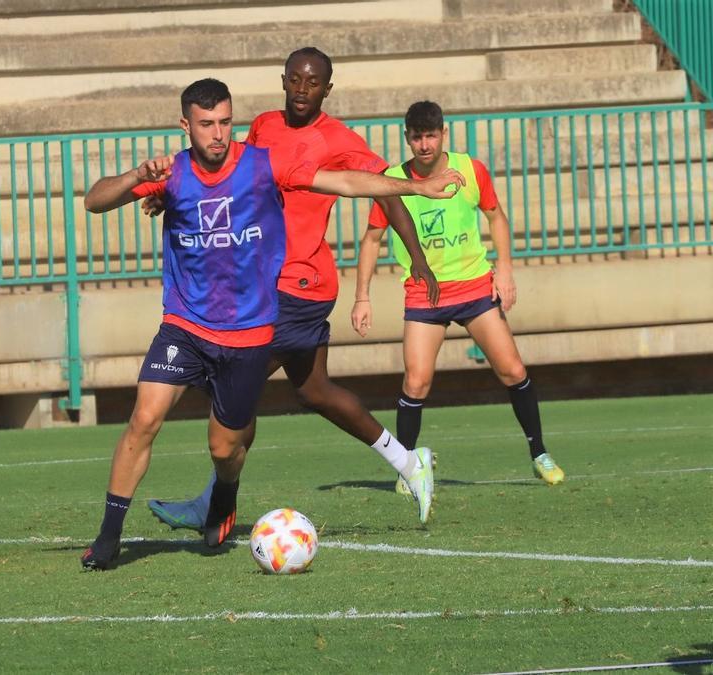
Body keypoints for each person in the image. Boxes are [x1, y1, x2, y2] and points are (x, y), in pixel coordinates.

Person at [79, 78, 463, 570]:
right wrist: (137, 176)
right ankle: (109, 538)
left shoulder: (263, 164)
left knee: (225, 447)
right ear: (185, 126)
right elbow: (94, 200)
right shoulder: (170, 173)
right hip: (186, 325)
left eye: (224, 122)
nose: (217, 134)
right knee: (145, 417)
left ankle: (224, 495)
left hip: (250, 331)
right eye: (205, 124)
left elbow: (344, 182)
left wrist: (419, 185)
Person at [147, 47, 445, 530]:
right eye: (295, 80)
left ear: (328, 88)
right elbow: (230, 177)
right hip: (262, 281)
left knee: (234, 387)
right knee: (314, 390)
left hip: (299, 283)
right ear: (283, 81)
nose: (303, 90)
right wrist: (172, 197)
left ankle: (215, 506)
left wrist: (417, 256)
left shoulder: (338, 138)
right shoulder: (263, 125)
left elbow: (382, 190)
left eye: (314, 83)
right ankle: (411, 463)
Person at [351, 100, 565, 490]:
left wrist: (505, 269)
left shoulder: (469, 169)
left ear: (443, 134)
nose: (424, 144)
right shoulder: (393, 181)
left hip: (475, 288)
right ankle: (408, 469)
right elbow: (371, 239)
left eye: (431, 135)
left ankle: (539, 453)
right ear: (407, 138)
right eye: (417, 137)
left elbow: (496, 216)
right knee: (416, 382)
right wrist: (361, 296)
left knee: (513, 371)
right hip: (424, 296)